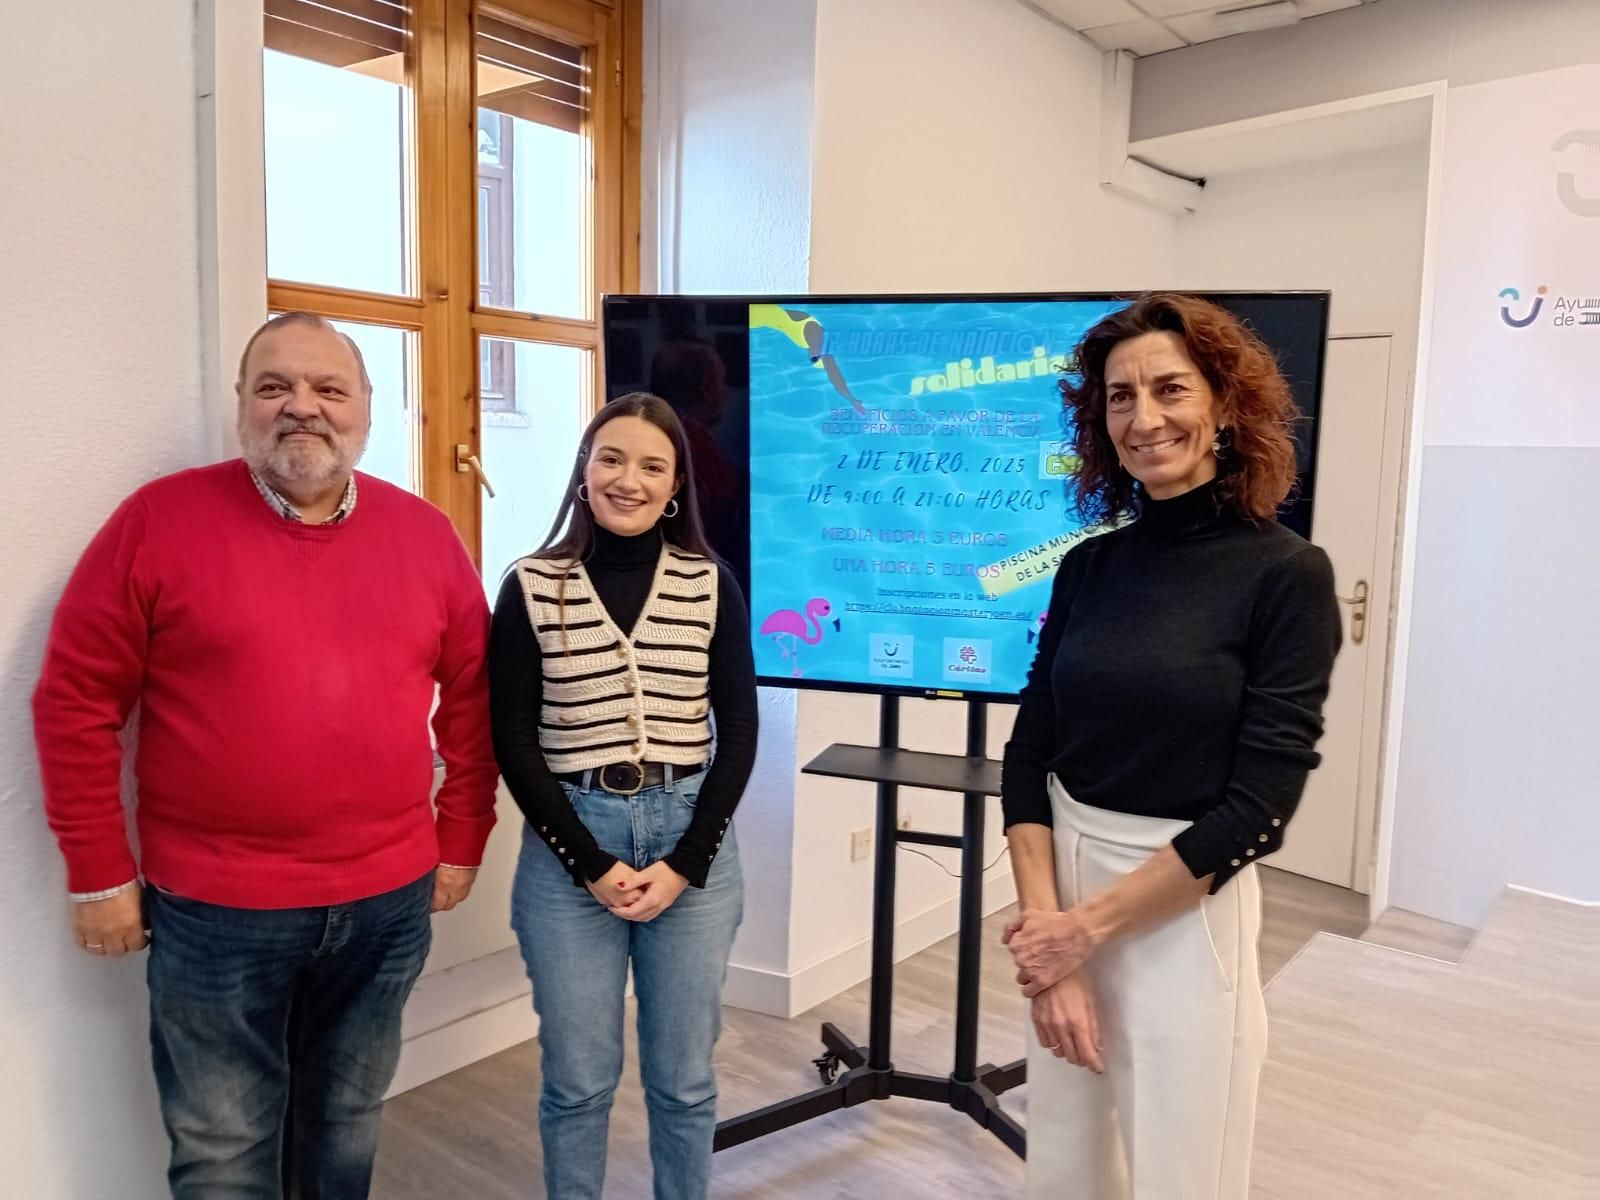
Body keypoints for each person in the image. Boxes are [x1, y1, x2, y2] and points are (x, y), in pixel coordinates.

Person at [32, 312, 499, 1198]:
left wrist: (463, 835)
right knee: (222, 1149)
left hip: (388, 902)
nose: (303, 409)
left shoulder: (427, 535)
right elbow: (75, 702)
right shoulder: (157, 522)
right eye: (275, 387)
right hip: (215, 911)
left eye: (329, 389)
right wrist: (98, 874)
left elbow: (473, 699)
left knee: (345, 1129)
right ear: (240, 405)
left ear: (366, 406)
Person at [1000, 294, 1341, 1199]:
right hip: (1063, 888)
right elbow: (1031, 753)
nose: (1145, 418)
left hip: (1185, 911)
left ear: (1225, 405)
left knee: (1181, 1173)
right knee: (1065, 1168)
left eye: (1169, 389)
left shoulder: (1286, 575)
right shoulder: (1088, 566)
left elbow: (1258, 808)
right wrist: (1048, 938)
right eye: (1119, 397)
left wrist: (1080, 934)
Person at [489, 392, 758, 1200]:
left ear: (676, 485)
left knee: (683, 1081)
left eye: (652, 465)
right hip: (570, 845)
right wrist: (591, 863)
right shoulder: (532, 585)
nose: (628, 480)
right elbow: (514, 739)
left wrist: (684, 863)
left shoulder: (711, 584)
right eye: (610, 459)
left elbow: (738, 735)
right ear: (583, 472)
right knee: (577, 1080)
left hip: (689, 841)